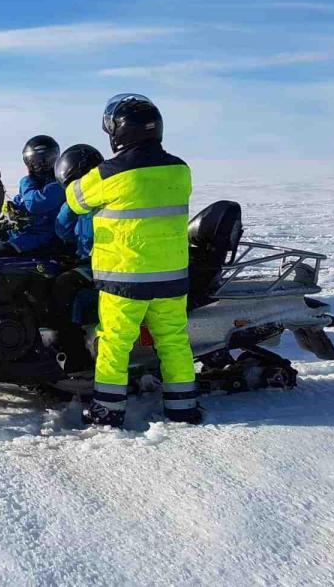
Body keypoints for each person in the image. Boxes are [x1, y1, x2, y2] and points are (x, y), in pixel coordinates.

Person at [66, 94, 199, 427]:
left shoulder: (110, 173)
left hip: (125, 278)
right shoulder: (180, 170)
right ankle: (183, 408)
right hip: (171, 277)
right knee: (174, 342)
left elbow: (76, 199)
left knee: (114, 343)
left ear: (119, 132)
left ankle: (109, 411)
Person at [50, 144, 104, 374]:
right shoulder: (83, 203)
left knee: (63, 287)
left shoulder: (105, 198)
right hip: (87, 261)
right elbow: (62, 230)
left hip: (104, 265)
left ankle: (76, 356)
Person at [4, 135, 65, 256]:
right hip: (25, 236)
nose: (38, 165)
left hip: (47, 241)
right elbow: (19, 202)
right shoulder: (35, 184)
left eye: (44, 160)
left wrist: (25, 181)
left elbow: (34, 203)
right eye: (32, 161)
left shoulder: (60, 185)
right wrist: (10, 213)